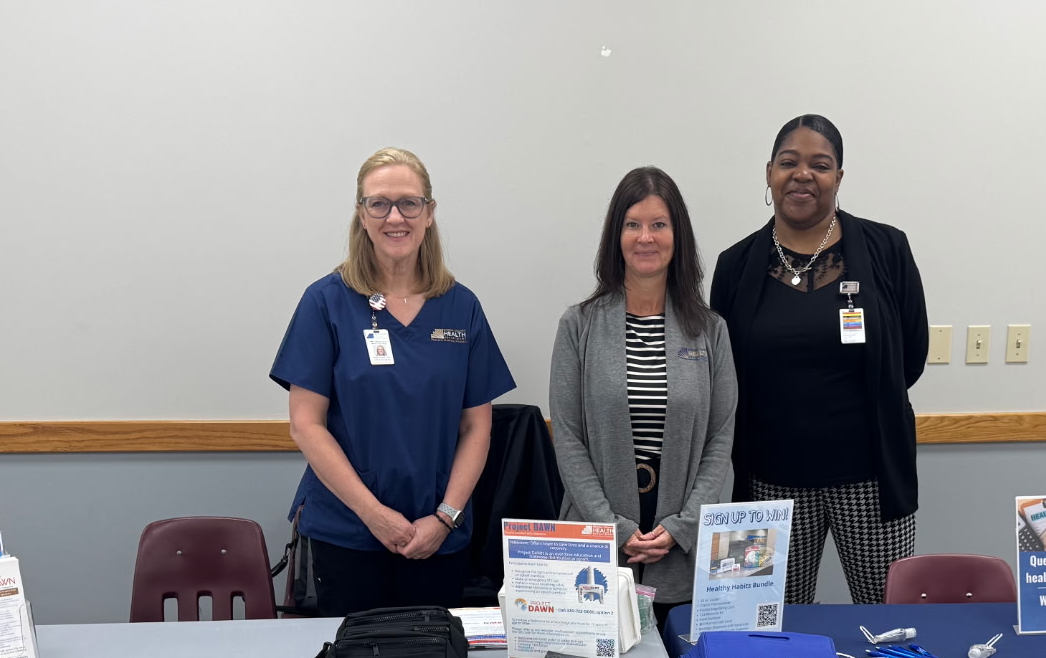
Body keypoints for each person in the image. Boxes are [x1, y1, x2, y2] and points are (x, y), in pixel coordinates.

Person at [271, 147, 513, 614]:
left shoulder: (461, 307)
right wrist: (374, 516)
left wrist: (445, 518)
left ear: (429, 213)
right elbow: (306, 425)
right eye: (378, 203)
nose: (394, 216)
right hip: (348, 534)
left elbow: (477, 427)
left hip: (437, 536)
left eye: (409, 202)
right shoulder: (325, 303)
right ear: (361, 215)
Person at [710, 114, 929, 605]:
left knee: (888, 619)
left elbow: (910, 356)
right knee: (767, 625)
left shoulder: (888, 248)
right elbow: (721, 374)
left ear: (839, 178)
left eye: (820, 164)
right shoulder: (734, 265)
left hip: (872, 480)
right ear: (769, 173)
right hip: (768, 484)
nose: (802, 174)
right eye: (789, 162)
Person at [549, 166, 737, 613]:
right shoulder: (578, 325)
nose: (645, 237)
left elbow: (720, 437)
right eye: (632, 224)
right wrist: (611, 527)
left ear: (678, 235)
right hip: (595, 550)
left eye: (659, 224)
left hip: (682, 549)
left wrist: (683, 526)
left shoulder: (710, 330)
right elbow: (569, 438)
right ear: (616, 235)